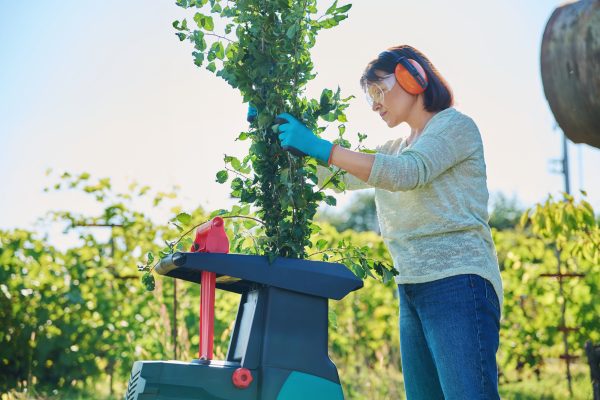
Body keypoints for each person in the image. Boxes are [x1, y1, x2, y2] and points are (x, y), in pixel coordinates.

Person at [254, 44, 504, 399]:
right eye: (368, 95)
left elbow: (408, 173)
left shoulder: (455, 126)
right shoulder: (393, 149)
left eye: (377, 89)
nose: (374, 104)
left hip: (458, 282)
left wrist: (321, 146)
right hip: (411, 286)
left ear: (412, 76)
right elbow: (334, 177)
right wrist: (274, 134)